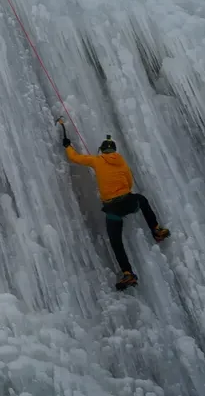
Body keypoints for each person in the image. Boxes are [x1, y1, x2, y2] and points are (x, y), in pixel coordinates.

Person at [58, 118, 170, 290]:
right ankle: (155, 229)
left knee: (116, 241)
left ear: (102, 150)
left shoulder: (96, 160)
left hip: (112, 208)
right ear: (114, 151)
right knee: (142, 201)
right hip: (127, 201)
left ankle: (127, 273)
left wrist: (67, 145)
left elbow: (76, 158)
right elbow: (129, 181)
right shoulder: (122, 162)